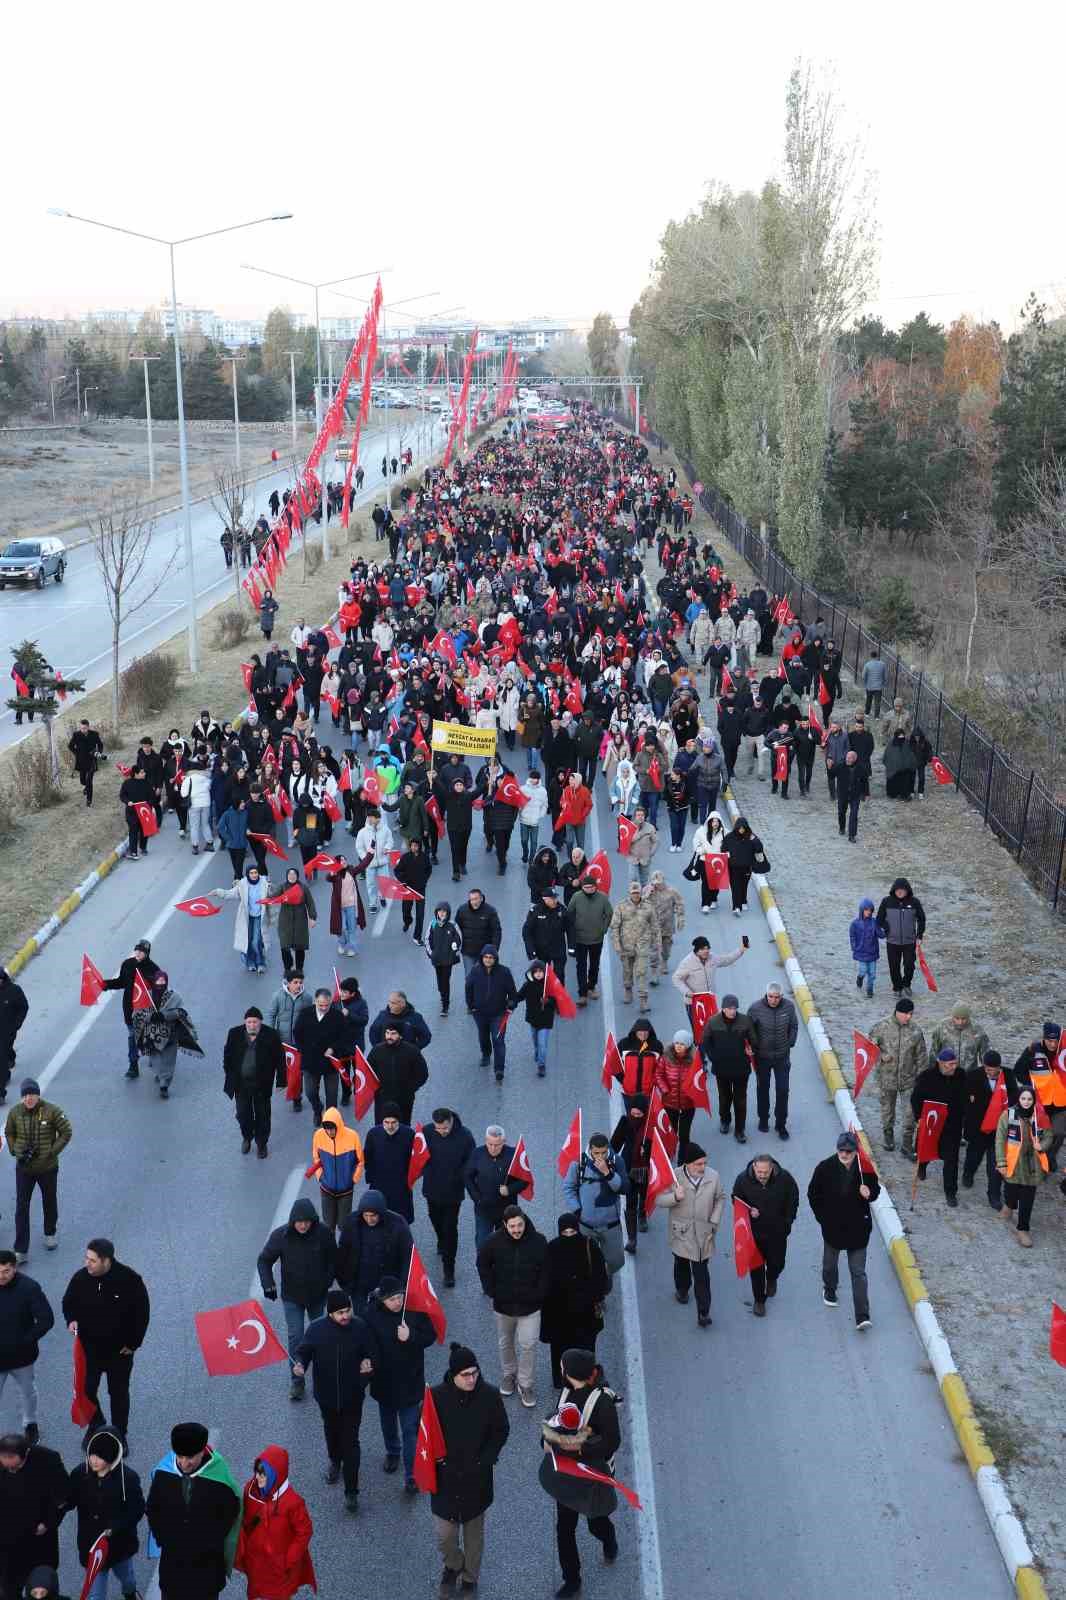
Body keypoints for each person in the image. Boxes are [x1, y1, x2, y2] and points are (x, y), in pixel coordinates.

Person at [537, 1348, 621, 1597]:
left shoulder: (602, 1401)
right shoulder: (567, 1391)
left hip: (592, 1475)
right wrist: (547, 1436)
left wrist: (574, 1447)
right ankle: (572, 1580)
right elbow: (556, 1420)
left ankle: (608, 1538)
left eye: (562, 1366)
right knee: (565, 1528)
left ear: (570, 1372)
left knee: (596, 1522)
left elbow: (612, 1441)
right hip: (567, 1475)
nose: (560, 1369)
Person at [430, 1343, 509, 1597]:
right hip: (445, 1478)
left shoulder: (490, 1395)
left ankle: (470, 1578)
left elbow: (501, 1430)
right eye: (465, 1375)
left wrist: (485, 1461)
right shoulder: (436, 1397)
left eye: (475, 1372)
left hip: (477, 1478)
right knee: (445, 1536)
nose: (472, 1379)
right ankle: (453, 1565)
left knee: (474, 1538)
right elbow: (426, 1434)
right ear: (453, 1375)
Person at [293, 1291, 377, 1513]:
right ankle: (334, 1460)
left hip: (352, 1397)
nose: (346, 1315)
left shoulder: (360, 1327)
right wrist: (300, 1364)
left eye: (348, 1310)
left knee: (351, 1442)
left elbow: (371, 1353)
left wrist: (368, 1367)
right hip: (326, 1396)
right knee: (331, 1431)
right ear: (330, 1313)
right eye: (340, 1312)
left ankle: (351, 1491)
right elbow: (303, 1352)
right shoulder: (316, 1330)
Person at [62, 1240, 149, 1450]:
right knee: (86, 1389)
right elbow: (68, 1302)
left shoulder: (129, 1279)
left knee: (118, 1393)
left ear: (106, 1260)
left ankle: (119, 1434)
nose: (87, 1264)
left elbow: (142, 1313)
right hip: (89, 1351)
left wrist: (133, 1344)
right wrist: (71, 1319)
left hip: (119, 1352)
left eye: (92, 1260)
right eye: (87, 1258)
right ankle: (97, 1425)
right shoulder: (81, 1278)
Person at [146, 1421, 242, 1599]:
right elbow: (153, 1508)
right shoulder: (164, 1474)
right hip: (173, 1566)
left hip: (206, 1567)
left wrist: (209, 1541)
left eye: (190, 1457)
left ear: (203, 1451)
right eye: (180, 1456)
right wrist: (163, 1537)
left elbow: (231, 1512)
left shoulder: (220, 1479)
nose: (184, 1463)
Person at [257, 1198, 336, 1403]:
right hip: (292, 1297)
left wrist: (327, 1282)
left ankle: (322, 1378)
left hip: (318, 1297)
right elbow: (264, 1260)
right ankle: (297, 1380)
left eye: (307, 1221)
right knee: (296, 1336)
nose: (303, 1225)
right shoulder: (281, 1236)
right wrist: (268, 1284)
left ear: (313, 1221)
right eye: (299, 1221)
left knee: (320, 1336)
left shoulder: (324, 1234)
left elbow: (333, 1260)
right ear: (292, 1221)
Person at [364, 1276, 436, 1493]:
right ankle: (392, 1452)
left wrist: (411, 1335)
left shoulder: (414, 1311)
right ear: (382, 1299)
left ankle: (411, 1475)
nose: (397, 1302)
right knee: (387, 1422)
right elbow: (366, 1344)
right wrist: (367, 1362)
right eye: (392, 1299)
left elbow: (430, 1336)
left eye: (400, 1297)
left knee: (410, 1429)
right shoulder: (371, 1316)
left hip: (410, 1381)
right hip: (384, 1382)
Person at [476, 1206, 548, 1408]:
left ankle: (525, 1384)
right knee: (505, 1343)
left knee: (528, 1345)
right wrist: (490, 1290)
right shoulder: (493, 1242)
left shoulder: (539, 1242)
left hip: (530, 1308)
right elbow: (482, 1263)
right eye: (512, 1226)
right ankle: (509, 1375)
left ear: (525, 1222)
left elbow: (546, 1271)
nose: (517, 1230)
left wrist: (539, 1294)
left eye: (520, 1225)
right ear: (505, 1225)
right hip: (503, 1306)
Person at [807, 1133, 880, 1330]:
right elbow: (813, 1194)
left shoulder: (865, 1169)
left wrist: (869, 1193)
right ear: (837, 1149)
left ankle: (862, 1315)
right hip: (833, 1229)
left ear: (855, 1151)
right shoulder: (824, 1168)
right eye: (841, 1150)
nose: (845, 1154)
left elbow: (875, 1191)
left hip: (858, 1230)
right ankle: (829, 1289)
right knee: (829, 1265)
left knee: (858, 1273)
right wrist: (823, 1218)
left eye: (849, 1151)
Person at [67, 1428, 144, 1600]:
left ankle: (130, 1594)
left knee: (128, 1580)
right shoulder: (80, 1474)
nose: (93, 1460)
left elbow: (137, 1509)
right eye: (91, 1455)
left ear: (111, 1458)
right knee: (96, 1594)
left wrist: (114, 1528)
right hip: (93, 1548)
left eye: (99, 1456)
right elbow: (69, 1500)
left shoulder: (128, 1479)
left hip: (120, 1545)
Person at [234, 1446, 315, 1600]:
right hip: (256, 1562)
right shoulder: (250, 1491)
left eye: (263, 1474)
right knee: (256, 1591)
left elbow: (304, 1531)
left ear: (276, 1475)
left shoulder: (293, 1503)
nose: (258, 1478)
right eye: (257, 1472)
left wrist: (288, 1560)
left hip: (279, 1567)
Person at [657, 1142, 723, 1327]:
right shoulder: (674, 1177)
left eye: (704, 1163)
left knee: (702, 1273)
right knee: (682, 1264)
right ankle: (682, 1289)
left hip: (703, 1234)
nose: (703, 1167)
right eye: (698, 1164)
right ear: (687, 1164)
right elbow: (658, 1199)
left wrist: (715, 1220)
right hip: (681, 1233)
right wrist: (675, 1197)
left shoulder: (713, 1176)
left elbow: (720, 1198)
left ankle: (704, 1312)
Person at [4, 1081, 72, 1261]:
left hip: (47, 1168)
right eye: (25, 1095)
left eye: (32, 1095)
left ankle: (50, 1233)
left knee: (49, 1201)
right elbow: (9, 1132)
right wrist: (13, 1150)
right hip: (24, 1169)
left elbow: (66, 1132)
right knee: (21, 1207)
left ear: (38, 1095)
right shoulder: (15, 1112)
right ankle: (21, 1249)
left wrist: (52, 1151)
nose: (28, 1099)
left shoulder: (52, 1110)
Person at [539, 1216, 608, 1388]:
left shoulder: (590, 1246)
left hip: (584, 1313)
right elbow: (544, 1283)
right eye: (565, 1232)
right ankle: (562, 1379)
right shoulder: (551, 1248)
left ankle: (585, 1378)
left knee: (584, 1349)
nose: (569, 1236)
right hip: (559, 1313)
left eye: (573, 1232)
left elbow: (601, 1279)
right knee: (561, 1350)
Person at [0, 1431, 69, 1599]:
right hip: (7, 1541)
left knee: (42, 1590)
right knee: (9, 1589)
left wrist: (48, 1523)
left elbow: (65, 1496)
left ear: (26, 1454)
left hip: (39, 1541)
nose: (11, 1470)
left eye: (15, 1467)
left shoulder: (48, 1460)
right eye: (6, 1467)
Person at [731, 1153, 800, 1316]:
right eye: (759, 1172)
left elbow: (793, 1199)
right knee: (756, 1268)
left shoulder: (785, 1179)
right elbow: (736, 1199)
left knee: (777, 1264)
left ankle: (772, 1277)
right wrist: (748, 1210)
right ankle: (759, 1301)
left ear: (772, 1168)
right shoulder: (742, 1180)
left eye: (765, 1173)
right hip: (753, 1235)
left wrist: (788, 1222)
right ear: (754, 1167)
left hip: (777, 1233)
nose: (762, 1176)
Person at [418, 1110, 475, 1290]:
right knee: (435, 1219)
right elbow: (418, 1154)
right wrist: (426, 1171)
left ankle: (448, 1269)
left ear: (451, 1122)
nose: (441, 1131)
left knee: (450, 1228)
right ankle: (441, 1240)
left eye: (445, 1128)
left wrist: (460, 1176)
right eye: (438, 1128)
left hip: (453, 1192)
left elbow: (471, 1161)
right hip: (432, 1188)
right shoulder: (427, 1132)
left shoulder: (465, 1136)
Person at [0, 1253, 52, 1444]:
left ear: (15, 1268)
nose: (1, 1276)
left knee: (27, 1392)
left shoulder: (29, 1288)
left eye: (6, 1271)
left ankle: (30, 1424)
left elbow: (46, 1319)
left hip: (21, 1357)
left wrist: (26, 1340)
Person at [335, 1190, 412, 1316]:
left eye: (373, 1216)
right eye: (366, 1216)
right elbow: (342, 1253)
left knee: (383, 1320)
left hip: (386, 1286)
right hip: (358, 1286)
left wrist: (401, 1286)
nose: (369, 1219)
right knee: (362, 1320)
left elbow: (407, 1256)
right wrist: (345, 1283)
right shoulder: (352, 1222)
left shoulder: (397, 1224)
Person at [562, 1132, 628, 1277]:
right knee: (585, 1262)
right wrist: (577, 1210)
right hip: (586, 1225)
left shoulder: (617, 1161)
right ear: (590, 1149)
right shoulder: (579, 1163)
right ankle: (598, 1287)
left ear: (608, 1149)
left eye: (604, 1153)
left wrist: (608, 1173)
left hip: (611, 1224)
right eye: (596, 1152)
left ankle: (604, 1275)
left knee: (617, 1261)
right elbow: (568, 1188)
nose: (600, 1157)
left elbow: (624, 1188)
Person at [221, 1007, 284, 1159]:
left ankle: (262, 1143)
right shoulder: (234, 1033)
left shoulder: (271, 1035)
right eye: (249, 1022)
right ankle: (247, 1137)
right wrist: (229, 1073)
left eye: (255, 1022)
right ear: (245, 1022)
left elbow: (280, 1059)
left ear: (260, 1022)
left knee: (263, 1115)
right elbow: (227, 1055)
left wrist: (281, 1081)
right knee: (243, 1114)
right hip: (241, 1085)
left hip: (262, 1084)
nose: (252, 1025)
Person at [131, 970, 203, 1099]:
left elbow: (181, 1012)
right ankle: (160, 1075)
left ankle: (164, 1085)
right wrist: (151, 1017)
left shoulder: (174, 997)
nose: (160, 984)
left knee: (169, 1062)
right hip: (151, 1036)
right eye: (158, 981)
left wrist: (165, 1015)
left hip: (170, 1033)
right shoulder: (146, 997)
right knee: (156, 1060)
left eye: (163, 981)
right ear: (154, 982)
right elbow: (137, 1014)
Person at [869, 997, 926, 1156]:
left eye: (911, 1014)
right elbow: (869, 1048)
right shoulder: (881, 1027)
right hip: (887, 1079)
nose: (909, 1017)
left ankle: (907, 1143)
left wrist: (922, 1081)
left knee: (910, 1113)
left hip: (909, 1080)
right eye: (906, 1013)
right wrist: (881, 1055)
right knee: (887, 1110)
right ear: (897, 1012)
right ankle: (888, 1136)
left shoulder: (916, 1031)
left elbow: (922, 1056)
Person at [910, 1048, 968, 1206]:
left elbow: (965, 1097)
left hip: (952, 1126)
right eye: (950, 1064)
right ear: (940, 1063)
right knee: (926, 1150)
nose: (953, 1067)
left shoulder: (961, 1075)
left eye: (955, 1063)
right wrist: (919, 1118)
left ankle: (950, 1192)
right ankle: (922, 1166)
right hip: (931, 1124)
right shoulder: (927, 1077)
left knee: (951, 1160)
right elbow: (916, 1099)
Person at [995, 1086, 1052, 1247]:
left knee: (1028, 1196)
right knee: (1011, 1190)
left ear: (1034, 1100)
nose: (1026, 1102)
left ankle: (1023, 1229)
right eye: (1023, 1099)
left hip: (1033, 1163)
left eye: (1029, 1099)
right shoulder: (1008, 1114)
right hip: (1013, 1161)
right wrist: (1001, 1161)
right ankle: (1009, 1206)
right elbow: (999, 1139)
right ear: (1018, 1099)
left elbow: (1049, 1134)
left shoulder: (1040, 1115)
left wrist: (1042, 1146)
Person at [701, 995, 758, 1145]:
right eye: (729, 1008)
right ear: (723, 1008)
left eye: (735, 1008)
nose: (732, 1011)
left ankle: (740, 1130)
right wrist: (714, 1058)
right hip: (722, 1068)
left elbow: (754, 1039)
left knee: (740, 1100)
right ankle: (725, 1121)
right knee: (724, 1098)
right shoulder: (713, 1022)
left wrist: (751, 1047)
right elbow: (705, 1041)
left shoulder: (745, 1021)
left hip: (741, 1068)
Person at [102, 939, 159, 1081]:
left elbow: (159, 989)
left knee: (150, 1035)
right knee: (132, 1035)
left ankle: (158, 1063)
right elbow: (121, 981)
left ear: (147, 953)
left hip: (147, 1010)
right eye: (137, 950)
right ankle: (133, 1066)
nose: (138, 953)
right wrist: (106, 984)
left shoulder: (153, 969)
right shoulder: (128, 964)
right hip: (129, 1008)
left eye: (142, 951)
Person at [747, 983, 799, 1138]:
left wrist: (790, 1042)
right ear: (766, 994)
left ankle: (780, 1125)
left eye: (777, 997)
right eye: (771, 996)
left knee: (783, 1091)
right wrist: (752, 1046)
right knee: (763, 1089)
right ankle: (763, 1119)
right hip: (762, 1057)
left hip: (782, 1057)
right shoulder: (755, 1008)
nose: (774, 1000)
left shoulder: (789, 1007)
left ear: (781, 996)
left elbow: (794, 1026)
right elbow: (748, 1029)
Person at [464, 1128, 527, 1252]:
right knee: (482, 1243)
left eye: (497, 1145)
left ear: (504, 1141)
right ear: (486, 1141)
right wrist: (477, 1199)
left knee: (505, 1244)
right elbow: (467, 1177)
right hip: (483, 1208)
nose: (493, 1148)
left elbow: (525, 1180)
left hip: (506, 1210)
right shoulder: (477, 1153)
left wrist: (510, 1189)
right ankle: (483, 1267)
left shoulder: (514, 1155)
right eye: (490, 1144)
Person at [464, 946, 518, 1084]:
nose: (488, 960)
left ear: (495, 959)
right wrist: (471, 1006)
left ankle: (499, 1070)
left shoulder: (504, 972)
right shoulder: (475, 972)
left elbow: (512, 992)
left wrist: (511, 1004)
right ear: (482, 958)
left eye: (491, 957)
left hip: (498, 1014)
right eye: (486, 957)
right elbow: (468, 988)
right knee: (483, 1036)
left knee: (498, 1040)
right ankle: (486, 1054)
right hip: (480, 1013)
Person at [293, 988, 345, 1126]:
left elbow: (344, 1037)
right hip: (310, 1061)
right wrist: (304, 1049)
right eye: (320, 1005)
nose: (323, 1008)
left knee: (332, 1096)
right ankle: (317, 1109)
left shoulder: (337, 1016)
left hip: (331, 1063)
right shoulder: (305, 1014)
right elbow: (297, 1033)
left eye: (326, 1005)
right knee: (310, 1092)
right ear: (315, 1001)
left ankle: (330, 1120)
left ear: (330, 1003)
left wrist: (333, 1048)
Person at [962, 1050, 1006, 1210]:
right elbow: (965, 1101)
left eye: (992, 1069)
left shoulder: (1007, 1077)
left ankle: (993, 1194)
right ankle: (968, 1174)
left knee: (995, 1164)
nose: (988, 1071)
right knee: (973, 1156)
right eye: (986, 1068)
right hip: (978, 1128)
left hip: (998, 1129)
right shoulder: (973, 1076)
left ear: (999, 1067)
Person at [210, 867, 274, 975]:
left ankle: (260, 963)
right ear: (247, 874)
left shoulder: (264, 883)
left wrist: (271, 887)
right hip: (247, 917)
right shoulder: (242, 885)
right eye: (251, 873)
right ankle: (250, 963)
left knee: (256, 941)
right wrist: (218, 892)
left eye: (256, 872)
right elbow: (229, 894)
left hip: (259, 916)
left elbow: (273, 894)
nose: (254, 875)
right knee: (247, 941)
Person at [310, 1106, 364, 1232]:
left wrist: (353, 1179)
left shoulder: (352, 1136)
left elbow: (360, 1161)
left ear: (338, 1125)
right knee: (328, 1226)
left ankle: (343, 1250)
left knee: (343, 1226)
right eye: (327, 1129)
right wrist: (320, 1177)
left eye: (332, 1129)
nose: (329, 1132)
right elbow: (316, 1158)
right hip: (326, 1189)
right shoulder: (318, 1136)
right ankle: (331, 1251)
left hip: (346, 1191)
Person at [671, 934, 746, 1020]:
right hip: (694, 1002)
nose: (706, 951)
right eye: (702, 949)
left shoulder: (712, 958)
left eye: (707, 948)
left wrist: (741, 950)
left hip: (709, 1000)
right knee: (698, 1028)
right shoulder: (687, 962)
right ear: (696, 950)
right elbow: (676, 978)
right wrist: (687, 992)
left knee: (713, 1025)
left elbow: (727, 959)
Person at [267, 974, 312, 1114]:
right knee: (285, 1069)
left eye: (300, 982)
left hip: (299, 1043)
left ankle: (296, 1098)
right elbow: (271, 1015)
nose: (298, 985)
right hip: (282, 1041)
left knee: (298, 1072)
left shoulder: (307, 998)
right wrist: (271, 1034)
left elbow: (310, 1017)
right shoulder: (278, 996)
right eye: (295, 982)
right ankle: (284, 1084)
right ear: (288, 983)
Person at [610, 880, 659, 1009]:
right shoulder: (621, 906)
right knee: (627, 970)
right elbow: (615, 926)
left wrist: (656, 943)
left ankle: (643, 999)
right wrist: (616, 944)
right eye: (633, 893)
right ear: (629, 893)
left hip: (642, 944)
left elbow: (655, 926)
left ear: (641, 893)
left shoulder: (648, 906)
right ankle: (628, 989)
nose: (635, 895)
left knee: (641, 971)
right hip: (626, 945)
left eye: (637, 893)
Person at [875, 877, 926, 998]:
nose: (900, 892)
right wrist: (887, 928)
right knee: (894, 966)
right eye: (897, 889)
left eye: (902, 889)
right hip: (892, 942)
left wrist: (919, 935)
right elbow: (879, 919)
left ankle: (906, 984)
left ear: (907, 890)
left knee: (909, 965)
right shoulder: (887, 902)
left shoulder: (914, 902)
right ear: (894, 890)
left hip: (909, 941)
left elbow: (922, 919)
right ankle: (897, 987)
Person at [564, 878, 613, 1006]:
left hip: (596, 939)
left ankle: (591, 987)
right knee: (581, 966)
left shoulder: (602, 898)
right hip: (580, 939)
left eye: (592, 887)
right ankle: (582, 994)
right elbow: (569, 913)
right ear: (582, 888)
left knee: (594, 964)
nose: (589, 890)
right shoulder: (576, 897)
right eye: (586, 888)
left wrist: (603, 929)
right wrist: (573, 931)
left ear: (595, 887)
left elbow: (609, 913)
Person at [367, 1026, 428, 1126]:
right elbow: (368, 1071)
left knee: (403, 1125)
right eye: (387, 1033)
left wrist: (410, 1089)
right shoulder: (377, 1050)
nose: (389, 1036)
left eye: (393, 1033)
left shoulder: (412, 1051)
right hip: (382, 1098)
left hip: (404, 1099)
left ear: (400, 1036)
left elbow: (422, 1074)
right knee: (381, 1126)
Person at [364, 1109, 417, 1222]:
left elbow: (414, 1159)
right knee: (380, 1217)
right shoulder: (373, 1134)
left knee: (401, 1218)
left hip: (401, 1184)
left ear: (399, 1122)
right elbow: (367, 1157)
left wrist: (410, 1178)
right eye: (386, 1122)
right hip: (379, 1183)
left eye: (393, 1122)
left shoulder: (409, 1134)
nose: (390, 1126)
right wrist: (370, 1178)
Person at [514, 961, 557, 1077]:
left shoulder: (549, 986)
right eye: (535, 972)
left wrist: (548, 1001)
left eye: (540, 972)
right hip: (533, 1019)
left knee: (543, 1043)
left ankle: (541, 1065)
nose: (538, 974)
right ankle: (537, 1051)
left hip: (545, 1021)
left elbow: (556, 1002)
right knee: (536, 1040)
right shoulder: (528, 985)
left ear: (544, 973)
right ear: (532, 973)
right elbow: (519, 996)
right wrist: (512, 1001)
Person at [720, 816, 768, 915]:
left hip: (746, 868)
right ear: (736, 827)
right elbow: (723, 849)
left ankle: (743, 900)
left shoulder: (750, 837)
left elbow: (759, 848)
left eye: (743, 828)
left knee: (743, 885)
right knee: (735, 887)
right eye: (740, 827)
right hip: (733, 868)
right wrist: (729, 857)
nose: (741, 830)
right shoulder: (729, 837)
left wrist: (754, 839)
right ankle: (736, 907)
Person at [645, 871, 685, 986]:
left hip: (667, 925)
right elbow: (639, 904)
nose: (657, 885)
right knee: (653, 949)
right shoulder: (648, 891)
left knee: (666, 947)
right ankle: (653, 972)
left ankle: (665, 961)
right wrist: (647, 894)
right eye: (655, 883)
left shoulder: (672, 892)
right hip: (653, 926)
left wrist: (680, 918)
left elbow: (680, 904)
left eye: (659, 883)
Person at [927, 1004, 990, 1077]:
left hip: (969, 1075)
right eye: (957, 1018)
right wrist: (932, 1073)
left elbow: (985, 1055)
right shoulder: (942, 1027)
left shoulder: (977, 1030)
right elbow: (934, 1052)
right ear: (952, 1016)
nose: (960, 1022)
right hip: (947, 1074)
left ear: (968, 1017)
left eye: (963, 1019)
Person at [276, 868, 316, 978]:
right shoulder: (282, 887)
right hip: (285, 921)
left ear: (297, 876)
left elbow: (310, 903)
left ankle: (299, 969)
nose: (292, 876)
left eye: (294, 874)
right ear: (287, 876)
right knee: (284, 946)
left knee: (300, 946)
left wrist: (312, 918)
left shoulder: (303, 888)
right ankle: (287, 968)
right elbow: (274, 896)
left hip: (300, 921)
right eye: (290, 874)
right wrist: (267, 893)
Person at [455, 890, 502, 981]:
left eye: (476, 899)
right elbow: (456, 929)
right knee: (469, 977)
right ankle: (471, 995)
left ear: (481, 898)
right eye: (471, 899)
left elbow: (497, 931)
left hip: (484, 953)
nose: (474, 902)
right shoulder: (462, 910)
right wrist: (457, 946)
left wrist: (494, 949)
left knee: (483, 977)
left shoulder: (490, 911)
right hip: (467, 952)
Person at [426, 902, 463, 1017]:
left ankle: (445, 1006)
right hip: (437, 960)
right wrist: (432, 954)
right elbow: (427, 940)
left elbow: (459, 939)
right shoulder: (432, 924)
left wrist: (454, 953)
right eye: (440, 911)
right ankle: (442, 993)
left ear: (448, 913)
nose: (442, 913)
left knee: (445, 981)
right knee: (440, 982)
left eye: (444, 911)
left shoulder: (452, 925)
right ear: (436, 912)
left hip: (448, 961)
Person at [0, 972, 27, 1108]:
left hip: (7, 1031)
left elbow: (23, 1007)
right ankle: (7, 1067)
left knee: (2, 1056)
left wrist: (17, 1024)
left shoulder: (14, 991)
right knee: (4, 1056)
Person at [848, 898, 883, 999]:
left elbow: (880, 934)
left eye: (870, 910)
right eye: (866, 909)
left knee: (872, 974)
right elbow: (852, 936)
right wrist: (854, 947)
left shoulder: (874, 922)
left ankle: (869, 990)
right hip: (861, 952)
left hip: (872, 952)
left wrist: (887, 930)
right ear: (862, 910)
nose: (868, 912)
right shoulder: (855, 923)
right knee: (863, 970)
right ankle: (860, 977)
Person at [68, 720, 104, 807]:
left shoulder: (94, 734)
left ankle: (89, 800)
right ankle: (86, 787)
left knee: (89, 781)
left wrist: (98, 753)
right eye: (81, 728)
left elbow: (100, 744)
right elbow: (70, 746)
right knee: (83, 780)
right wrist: (77, 753)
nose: (82, 730)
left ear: (88, 727)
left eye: (84, 728)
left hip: (92, 760)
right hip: (81, 760)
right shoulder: (76, 735)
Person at [836, 750, 866, 843]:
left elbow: (865, 781)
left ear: (855, 759)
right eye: (847, 757)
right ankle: (842, 827)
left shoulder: (860, 767)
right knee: (841, 812)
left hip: (855, 795)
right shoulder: (840, 766)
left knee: (854, 815)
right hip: (843, 794)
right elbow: (831, 775)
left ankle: (852, 835)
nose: (848, 759)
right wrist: (829, 767)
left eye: (850, 758)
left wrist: (865, 793)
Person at [626, 805, 658, 887]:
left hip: (645, 858)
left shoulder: (650, 827)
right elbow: (625, 842)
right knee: (633, 878)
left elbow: (655, 842)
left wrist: (651, 853)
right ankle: (633, 896)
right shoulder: (629, 827)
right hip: (632, 857)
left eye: (642, 815)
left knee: (644, 880)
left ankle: (644, 897)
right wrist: (637, 835)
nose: (640, 817)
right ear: (635, 816)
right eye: (638, 815)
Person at [862, 648, 886, 717]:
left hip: (869, 686)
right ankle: (876, 716)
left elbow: (863, 676)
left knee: (868, 700)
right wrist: (883, 683)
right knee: (877, 702)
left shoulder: (867, 664)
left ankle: (867, 713)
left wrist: (866, 682)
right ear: (877, 656)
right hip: (879, 686)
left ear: (870, 656)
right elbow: (885, 676)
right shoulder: (882, 664)